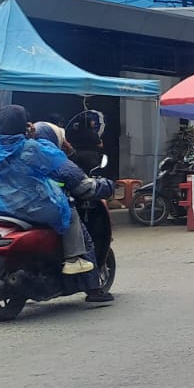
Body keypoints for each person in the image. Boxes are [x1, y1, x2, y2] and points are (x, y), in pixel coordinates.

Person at [0, 105, 96, 276]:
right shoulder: (32, 148)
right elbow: (66, 171)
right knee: (69, 211)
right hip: (34, 209)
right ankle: (73, 259)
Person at [67, 109, 115, 307]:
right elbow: (78, 183)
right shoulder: (51, 157)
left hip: (4, 209)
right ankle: (93, 288)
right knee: (83, 238)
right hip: (54, 205)